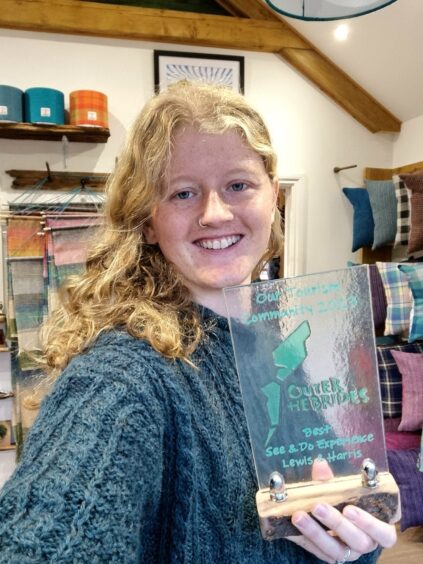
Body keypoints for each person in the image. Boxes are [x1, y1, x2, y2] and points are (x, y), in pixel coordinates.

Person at [0, 81, 396, 563]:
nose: (215, 213)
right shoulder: (121, 379)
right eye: (183, 193)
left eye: (238, 185)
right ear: (148, 221)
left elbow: (338, 506)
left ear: (273, 195)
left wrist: (356, 541)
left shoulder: (274, 349)